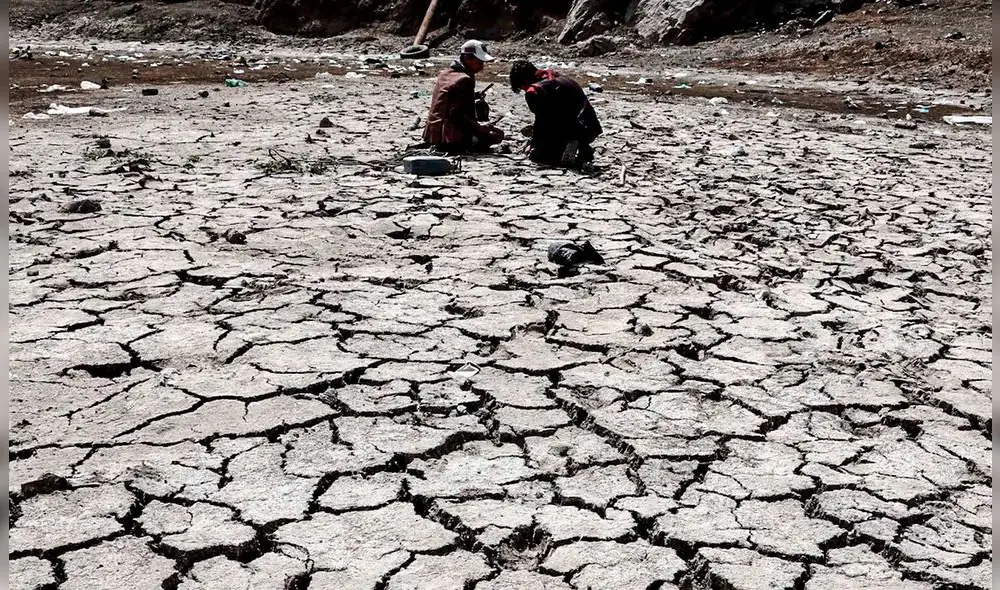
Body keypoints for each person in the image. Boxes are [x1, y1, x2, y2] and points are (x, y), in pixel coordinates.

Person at [509, 60, 603, 167]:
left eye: (522, 88)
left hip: (570, 130)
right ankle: (580, 144)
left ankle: (571, 142)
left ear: (525, 82)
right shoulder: (562, 79)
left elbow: (542, 121)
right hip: (591, 129)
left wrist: (534, 145)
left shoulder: (534, 91)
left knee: (538, 157)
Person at [423, 40, 505, 154]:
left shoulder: (446, 73)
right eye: (479, 62)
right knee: (496, 135)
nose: (482, 66)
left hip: (433, 134)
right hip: (448, 138)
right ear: (467, 58)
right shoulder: (464, 79)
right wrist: (478, 127)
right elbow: (455, 115)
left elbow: (450, 100)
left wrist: (473, 96)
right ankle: (467, 145)